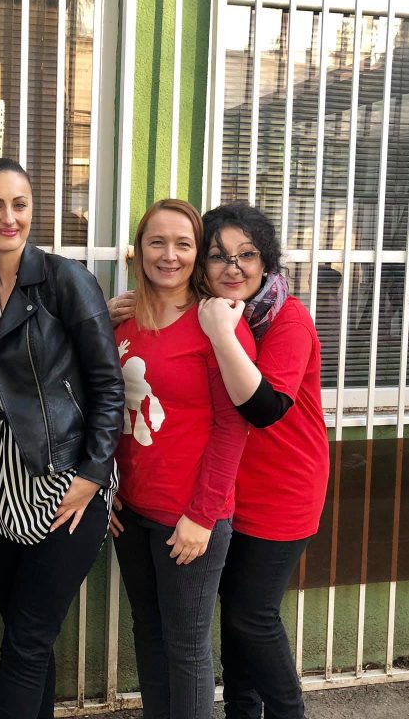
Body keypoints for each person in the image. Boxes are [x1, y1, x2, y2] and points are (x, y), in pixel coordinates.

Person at [110, 201, 328, 719]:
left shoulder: (282, 321)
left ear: (266, 261)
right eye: (219, 255)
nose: (233, 267)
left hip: (278, 488)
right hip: (222, 486)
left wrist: (221, 334)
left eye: (246, 255)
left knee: (250, 618)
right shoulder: (208, 312)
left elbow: (259, 411)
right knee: (226, 622)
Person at [0, 159, 124, 718]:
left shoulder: (64, 279)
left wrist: (93, 475)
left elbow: (107, 384)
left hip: (62, 482)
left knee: (26, 642)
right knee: (27, 636)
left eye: (20, 204)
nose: (9, 217)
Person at [108, 198, 255, 719]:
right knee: (148, 634)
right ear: (139, 250)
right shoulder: (122, 322)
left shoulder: (215, 324)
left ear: (198, 253)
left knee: (187, 647)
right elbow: (103, 408)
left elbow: (233, 426)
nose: (169, 255)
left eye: (183, 244)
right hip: (131, 511)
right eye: (157, 242)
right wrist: (106, 487)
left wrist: (204, 515)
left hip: (189, 517)